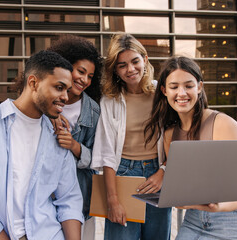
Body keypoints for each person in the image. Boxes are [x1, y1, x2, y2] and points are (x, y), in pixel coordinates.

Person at [0, 50, 84, 240]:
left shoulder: (58, 135)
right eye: (59, 87)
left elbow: (69, 199)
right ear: (33, 83)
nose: (65, 96)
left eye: (67, 90)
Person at [145, 56, 237, 240]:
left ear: (199, 87)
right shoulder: (169, 135)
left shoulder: (223, 124)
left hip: (234, 218)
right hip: (194, 219)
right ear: (164, 90)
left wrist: (217, 206)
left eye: (189, 86)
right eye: (174, 87)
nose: (181, 93)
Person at [91, 33, 172, 240]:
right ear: (115, 70)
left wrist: (164, 171)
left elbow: (178, 136)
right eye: (122, 65)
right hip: (123, 173)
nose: (130, 69)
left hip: (157, 174)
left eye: (135, 61)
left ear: (145, 59)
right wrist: (112, 200)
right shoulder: (110, 101)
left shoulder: (161, 93)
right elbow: (107, 152)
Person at [48, 35, 102, 240]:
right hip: (44, 198)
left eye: (90, 76)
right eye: (80, 71)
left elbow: (98, 158)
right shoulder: (44, 103)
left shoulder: (93, 111)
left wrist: (74, 145)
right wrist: (50, 113)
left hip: (79, 198)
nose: (84, 80)